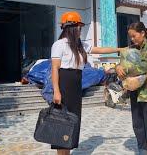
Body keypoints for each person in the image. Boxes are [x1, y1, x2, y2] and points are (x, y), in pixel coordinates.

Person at [51, 11, 123, 155]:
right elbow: (55, 69)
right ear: (71, 28)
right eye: (79, 27)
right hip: (64, 84)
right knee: (61, 122)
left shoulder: (80, 45)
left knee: (73, 120)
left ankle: (67, 152)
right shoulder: (59, 44)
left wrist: (120, 49)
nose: (80, 30)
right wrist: (56, 91)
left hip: (76, 85)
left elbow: (100, 49)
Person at [116, 22, 147, 155]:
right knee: (137, 123)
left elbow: (143, 67)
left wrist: (123, 70)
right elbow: (123, 62)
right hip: (135, 90)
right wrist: (117, 67)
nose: (132, 39)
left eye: (134, 36)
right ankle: (142, 148)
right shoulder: (132, 49)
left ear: (142, 33)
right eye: (130, 37)